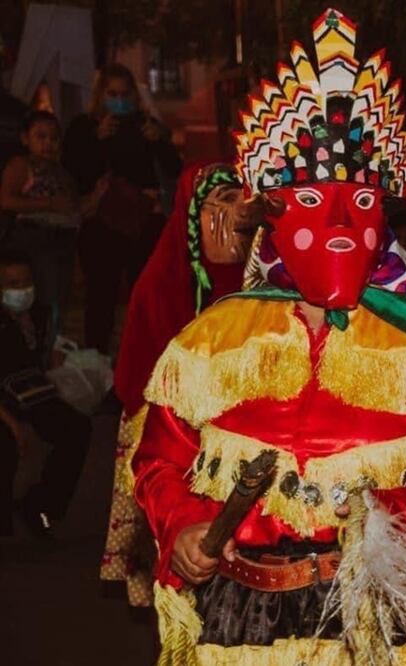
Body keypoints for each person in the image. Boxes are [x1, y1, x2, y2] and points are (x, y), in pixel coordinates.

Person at [132, 10, 406, 663]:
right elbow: (158, 459)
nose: (342, 223)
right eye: (313, 202)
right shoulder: (211, 341)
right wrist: (180, 525)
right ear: (273, 216)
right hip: (241, 633)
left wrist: (392, 518)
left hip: (388, 629)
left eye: (363, 203)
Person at [99, 162, 257, 607]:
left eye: (239, 201)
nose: (234, 215)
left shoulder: (257, 280)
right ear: (193, 213)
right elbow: (140, 361)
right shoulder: (163, 279)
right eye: (219, 204)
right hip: (166, 419)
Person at [62, 63, 181, 354]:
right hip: (102, 222)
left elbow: (173, 168)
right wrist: (95, 140)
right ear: (100, 95)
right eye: (112, 93)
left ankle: (144, 358)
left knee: (145, 295)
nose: (119, 100)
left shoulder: (145, 125)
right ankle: (97, 358)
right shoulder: (84, 126)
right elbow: (73, 171)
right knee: (101, 296)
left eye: (124, 94)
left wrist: (160, 141)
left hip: (144, 221)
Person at [0, 249, 91, 539]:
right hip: (4, 401)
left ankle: (42, 508)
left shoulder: (38, 314)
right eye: (12, 284)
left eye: (25, 281)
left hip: (33, 394)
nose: (21, 289)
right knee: (6, 445)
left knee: (77, 429)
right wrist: (13, 425)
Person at [1, 110, 106, 350]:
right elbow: (6, 199)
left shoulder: (62, 172)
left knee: (58, 302)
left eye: (54, 138)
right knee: (41, 301)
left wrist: (96, 197)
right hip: (35, 240)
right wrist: (47, 204)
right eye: (41, 137)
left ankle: (51, 348)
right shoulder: (22, 165)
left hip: (63, 244)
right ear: (26, 138)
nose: (48, 143)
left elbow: (74, 209)